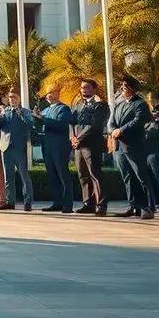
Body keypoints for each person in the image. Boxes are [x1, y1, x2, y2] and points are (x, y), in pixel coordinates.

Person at [108, 75, 156, 219]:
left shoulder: (140, 104)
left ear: (133, 88)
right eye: (122, 86)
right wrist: (113, 130)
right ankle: (133, 205)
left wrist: (121, 130)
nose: (123, 88)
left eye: (126, 86)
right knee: (127, 177)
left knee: (141, 176)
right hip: (120, 147)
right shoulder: (119, 104)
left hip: (134, 145)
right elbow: (111, 122)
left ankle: (148, 206)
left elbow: (139, 120)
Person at [71, 79, 108, 216]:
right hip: (78, 146)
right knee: (83, 175)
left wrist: (79, 138)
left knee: (95, 174)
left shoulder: (100, 105)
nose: (83, 90)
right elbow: (72, 122)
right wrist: (73, 138)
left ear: (94, 89)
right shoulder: (78, 105)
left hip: (92, 144)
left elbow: (95, 126)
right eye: (82, 88)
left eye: (86, 87)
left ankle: (101, 205)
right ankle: (88, 204)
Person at [33, 88, 74, 213]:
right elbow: (39, 126)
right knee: (51, 174)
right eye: (47, 94)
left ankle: (67, 204)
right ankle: (57, 202)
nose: (49, 95)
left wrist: (42, 118)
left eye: (51, 93)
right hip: (47, 144)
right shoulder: (46, 110)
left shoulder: (64, 109)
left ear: (57, 94)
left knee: (62, 173)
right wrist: (35, 118)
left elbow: (60, 124)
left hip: (60, 145)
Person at [0, 89, 33, 211]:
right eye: (10, 97)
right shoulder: (5, 111)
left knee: (24, 176)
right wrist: (0, 115)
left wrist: (20, 112)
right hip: (6, 147)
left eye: (14, 97)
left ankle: (27, 203)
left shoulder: (25, 111)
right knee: (8, 177)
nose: (12, 99)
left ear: (19, 98)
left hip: (19, 148)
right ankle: (10, 202)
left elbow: (30, 124)